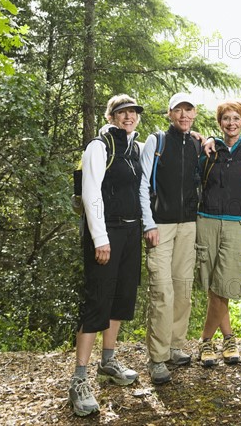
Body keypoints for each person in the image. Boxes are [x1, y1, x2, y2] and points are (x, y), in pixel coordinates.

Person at [69, 95, 144, 417]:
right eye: (122, 113)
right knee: (97, 300)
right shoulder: (99, 147)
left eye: (133, 113)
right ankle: (79, 379)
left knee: (121, 298)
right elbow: (90, 193)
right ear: (111, 116)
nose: (129, 117)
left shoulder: (133, 149)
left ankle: (108, 361)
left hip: (131, 233)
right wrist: (100, 238)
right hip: (106, 233)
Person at [139, 92, 201, 384]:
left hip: (189, 224)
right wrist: (148, 223)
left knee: (182, 289)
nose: (184, 115)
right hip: (160, 226)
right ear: (170, 113)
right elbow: (142, 184)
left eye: (188, 110)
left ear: (195, 113)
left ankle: (176, 346)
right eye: (179, 110)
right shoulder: (157, 141)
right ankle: (158, 358)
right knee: (162, 291)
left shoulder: (198, 144)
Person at [196, 100, 241, 367]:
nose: (231, 123)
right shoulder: (209, 150)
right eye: (226, 119)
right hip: (206, 220)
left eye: (236, 119)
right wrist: (206, 138)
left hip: (238, 223)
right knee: (213, 286)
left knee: (227, 284)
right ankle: (229, 338)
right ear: (219, 123)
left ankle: (206, 341)